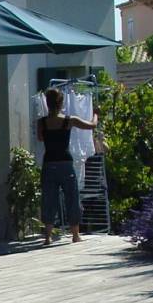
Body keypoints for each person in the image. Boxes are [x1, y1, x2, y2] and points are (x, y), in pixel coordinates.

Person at [37, 87, 97, 245]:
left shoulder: (42, 122)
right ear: (61, 103)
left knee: (49, 199)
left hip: (49, 163)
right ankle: (75, 235)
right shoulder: (69, 120)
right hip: (65, 163)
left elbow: (40, 139)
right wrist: (96, 114)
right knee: (72, 197)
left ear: (47, 103)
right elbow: (91, 125)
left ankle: (48, 237)